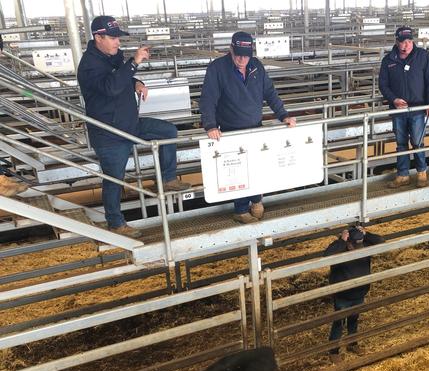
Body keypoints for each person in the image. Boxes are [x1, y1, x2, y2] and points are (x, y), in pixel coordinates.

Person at [77, 16, 190, 238]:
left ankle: (167, 179)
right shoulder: (89, 65)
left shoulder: (111, 56)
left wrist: (136, 82)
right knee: (114, 178)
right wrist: (134, 62)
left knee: (168, 131)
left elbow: (122, 79)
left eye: (118, 37)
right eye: (112, 38)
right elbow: (110, 86)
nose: (117, 42)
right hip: (109, 132)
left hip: (129, 123)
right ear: (97, 37)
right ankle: (116, 222)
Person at [199, 32, 296, 224]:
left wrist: (283, 115)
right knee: (239, 170)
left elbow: (270, 92)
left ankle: (257, 199)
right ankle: (241, 209)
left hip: (255, 127)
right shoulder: (217, 68)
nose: (242, 59)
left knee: (258, 165)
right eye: (238, 54)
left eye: (246, 54)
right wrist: (210, 125)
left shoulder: (256, 66)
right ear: (231, 49)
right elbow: (207, 99)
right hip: (230, 129)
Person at [379, 26, 429, 189]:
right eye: (403, 42)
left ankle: (421, 172)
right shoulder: (388, 60)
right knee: (401, 143)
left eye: (410, 41)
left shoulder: (422, 56)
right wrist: (394, 99)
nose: (407, 45)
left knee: (418, 141)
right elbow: (383, 85)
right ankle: (403, 174)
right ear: (397, 42)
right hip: (399, 109)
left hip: (418, 107)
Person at [323, 226, 385, 360]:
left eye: (361, 244)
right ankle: (334, 351)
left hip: (359, 292)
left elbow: (381, 241)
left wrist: (366, 234)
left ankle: (353, 343)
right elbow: (326, 255)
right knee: (339, 322)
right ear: (348, 242)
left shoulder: (364, 245)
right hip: (343, 294)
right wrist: (341, 241)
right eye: (355, 245)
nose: (359, 248)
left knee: (353, 319)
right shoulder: (340, 249)